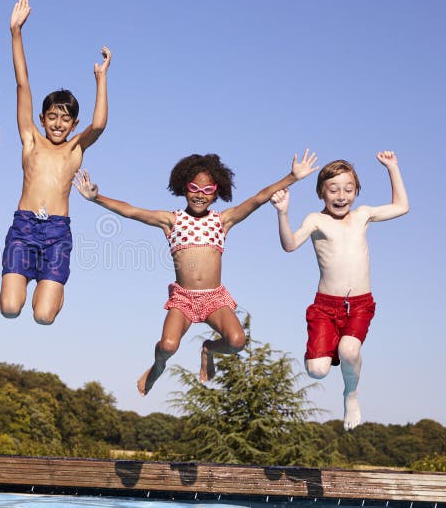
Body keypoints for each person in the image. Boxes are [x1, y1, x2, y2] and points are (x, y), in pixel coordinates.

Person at [73, 150, 319, 395]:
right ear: (184, 187)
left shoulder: (222, 221)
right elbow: (131, 210)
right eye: (194, 188)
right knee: (168, 346)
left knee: (237, 342)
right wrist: (97, 198)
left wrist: (292, 177)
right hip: (184, 299)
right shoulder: (171, 220)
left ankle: (209, 348)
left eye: (207, 190)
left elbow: (258, 198)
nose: (200, 195)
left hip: (214, 298)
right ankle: (157, 367)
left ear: (216, 193)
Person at [269, 151, 408, 430]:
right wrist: (283, 214)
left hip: (359, 304)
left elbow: (401, 206)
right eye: (333, 190)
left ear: (357, 190)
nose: (341, 196)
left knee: (349, 349)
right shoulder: (316, 220)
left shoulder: (363, 216)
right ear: (321, 192)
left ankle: (351, 394)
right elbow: (290, 244)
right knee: (317, 370)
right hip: (325, 307)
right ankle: (326, 354)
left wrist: (392, 167)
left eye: (348, 189)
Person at [0, 0, 112, 325]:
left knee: (44, 317)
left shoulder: (75, 148)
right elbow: (22, 84)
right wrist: (15, 33)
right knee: (9, 309)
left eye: (65, 119)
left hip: (57, 233)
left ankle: (55, 293)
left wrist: (101, 78)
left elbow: (101, 124)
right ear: (42, 118)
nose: (58, 124)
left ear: (74, 124)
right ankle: (34, 284)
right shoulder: (31, 139)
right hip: (24, 228)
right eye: (52, 117)